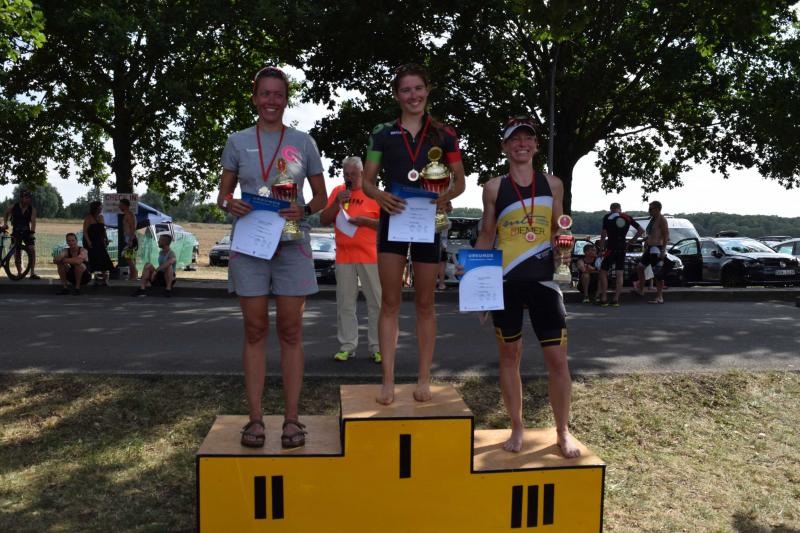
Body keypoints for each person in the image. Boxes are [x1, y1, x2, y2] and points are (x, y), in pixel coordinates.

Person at [217, 66, 326, 449]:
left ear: (286, 100)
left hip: (292, 244)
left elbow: (321, 198)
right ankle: (256, 419)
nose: (271, 101)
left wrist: (305, 210)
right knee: (255, 329)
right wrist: (231, 205)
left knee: (291, 331)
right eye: (265, 94)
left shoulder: (303, 142)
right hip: (251, 245)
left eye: (278, 94)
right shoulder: (237, 141)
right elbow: (223, 196)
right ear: (255, 98)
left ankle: (292, 420)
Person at [462, 116, 580, 457]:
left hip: (544, 281)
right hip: (506, 281)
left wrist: (563, 245)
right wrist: (478, 289)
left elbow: (559, 228)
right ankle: (517, 426)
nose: (522, 144)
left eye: (528, 138)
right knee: (509, 356)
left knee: (557, 360)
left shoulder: (553, 184)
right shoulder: (493, 188)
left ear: (536, 146)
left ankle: (563, 430)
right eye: (515, 139)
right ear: (505, 146)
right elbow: (487, 234)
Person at [361, 63, 466, 405]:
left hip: (427, 222)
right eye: (405, 90)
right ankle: (388, 381)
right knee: (390, 302)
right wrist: (380, 196)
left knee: (425, 303)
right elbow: (366, 181)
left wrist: (444, 198)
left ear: (427, 90)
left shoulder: (445, 134)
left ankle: (424, 379)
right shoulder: (382, 133)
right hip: (393, 218)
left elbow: (460, 182)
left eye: (418, 88)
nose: (413, 95)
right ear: (397, 95)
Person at [319, 156, 382, 364]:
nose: (349, 178)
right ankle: (347, 346)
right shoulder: (338, 191)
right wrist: (337, 203)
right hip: (344, 256)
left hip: (370, 256)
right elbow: (324, 219)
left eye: (353, 174)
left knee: (376, 303)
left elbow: (387, 225)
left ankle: (377, 347)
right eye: (346, 174)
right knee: (345, 304)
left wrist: (364, 221)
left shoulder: (374, 193)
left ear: (362, 173)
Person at [598, 202, 643, 306]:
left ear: (611, 209)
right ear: (620, 209)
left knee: (603, 271)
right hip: (622, 248)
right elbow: (641, 230)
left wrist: (601, 249)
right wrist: (633, 240)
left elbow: (603, 234)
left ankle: (604, 297)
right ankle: (616, 299)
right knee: (619, 273)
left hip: (611, 248)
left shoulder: (607, 217)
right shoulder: (627, 217)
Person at [635, 200, 669, 304]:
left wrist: (663, 250)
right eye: (649, 209)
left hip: (657, 248)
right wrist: (645, 239)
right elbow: (652, 233)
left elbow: (666, 235)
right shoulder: (652, 219)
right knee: (640, 267)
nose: (649, 211)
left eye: (651, 209)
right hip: (650, 247)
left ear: (657, 209)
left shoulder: (662, 220)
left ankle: (659, 296)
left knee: (657, 273)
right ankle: (641, 289)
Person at [1, 189, 39, 279]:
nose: (28, 199)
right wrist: (5, 223)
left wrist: (32, 233)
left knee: (32, 250)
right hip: (16, 232)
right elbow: (6, 213)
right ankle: (19, 273)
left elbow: (33, 222)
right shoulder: (14, 206)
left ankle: (32, 273)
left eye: (28, 198)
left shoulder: (32, 209)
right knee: (16, 252)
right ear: (21, 198)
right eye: (26, 197)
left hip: (27, 232)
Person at [82, 201, 114, 286]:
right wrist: (88, 242)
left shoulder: (101, 217)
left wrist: (106, 238)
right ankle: (93, 278)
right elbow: (85, 231)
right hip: (91, 241)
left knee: (104, 258)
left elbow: (103, 229)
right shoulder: (88, 218)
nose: (101, 208)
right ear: (95, 208)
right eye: (100, 207)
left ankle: (104, 279)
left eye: (101, 207)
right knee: (93, 259)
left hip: (100, 241)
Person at [119, 199, 138, 280]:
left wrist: (130, 239)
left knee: (128, 257)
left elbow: (133, 228)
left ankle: (134, 273)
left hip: (131, 238)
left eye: (120, 205)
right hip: (128, 238)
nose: (119, 207)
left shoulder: (130, 214)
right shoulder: (126, 214)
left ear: (125, 205)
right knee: (130, 257)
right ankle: (133, 275)